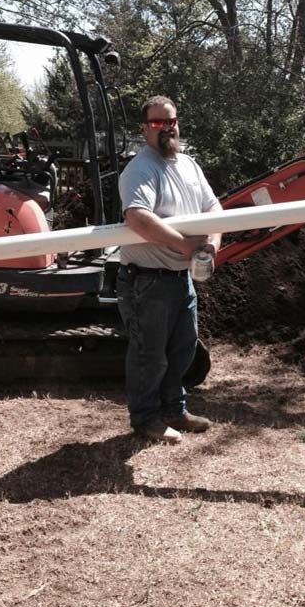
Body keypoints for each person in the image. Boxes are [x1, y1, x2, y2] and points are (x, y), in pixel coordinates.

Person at [117, 95, 222, 444]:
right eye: (158, 123)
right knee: (149, 354)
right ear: (145, 128)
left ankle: (174, 409)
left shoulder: (189, 165)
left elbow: (214, 208)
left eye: (171, 121)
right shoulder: (141, 168)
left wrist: (212, 245)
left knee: (183, 349)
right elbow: (138, 217)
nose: (167, 128)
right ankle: (146, 418)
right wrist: (188, 247)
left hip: (181, 278)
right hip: (148, 281)